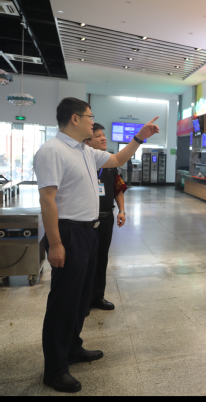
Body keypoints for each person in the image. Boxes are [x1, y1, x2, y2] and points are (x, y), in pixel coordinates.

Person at [34, 97, 159, 393]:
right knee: (64, 301)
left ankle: (72, 347)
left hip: (90, 232)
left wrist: (139, 137)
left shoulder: (85, 151)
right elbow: (47, 200)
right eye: (90, 117)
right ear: (75, 119)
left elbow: (118, 160)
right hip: (69, 232)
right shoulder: (52, 150)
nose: (93, 122)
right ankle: (55, 369)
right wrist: (55, 244)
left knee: (81, 299)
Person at [83, 123, 128, 312]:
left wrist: (121, 210)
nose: (103, 138)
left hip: (106, 218)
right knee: (86, 260)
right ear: (87, 141)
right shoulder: (82, 162)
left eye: (103, 135)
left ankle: (98, 296)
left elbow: (118, 188)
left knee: (102, 258)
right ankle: (84, 300)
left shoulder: (111, 164)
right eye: (98, 136)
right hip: (86, 220)